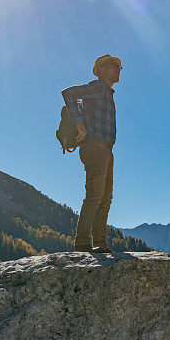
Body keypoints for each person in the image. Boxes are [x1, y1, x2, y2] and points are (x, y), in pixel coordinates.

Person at [61, 54, 121, 253]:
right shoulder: (98, 87)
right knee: (95, 196)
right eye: (113, 65)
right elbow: (69, 93)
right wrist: (78, 123)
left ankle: (100, 244)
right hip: (95, 147)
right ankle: (82, 243)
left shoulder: (107, 92)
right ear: (101, 69)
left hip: (106, 148)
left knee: (105, 198)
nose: (117, 69)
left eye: (119, 67)